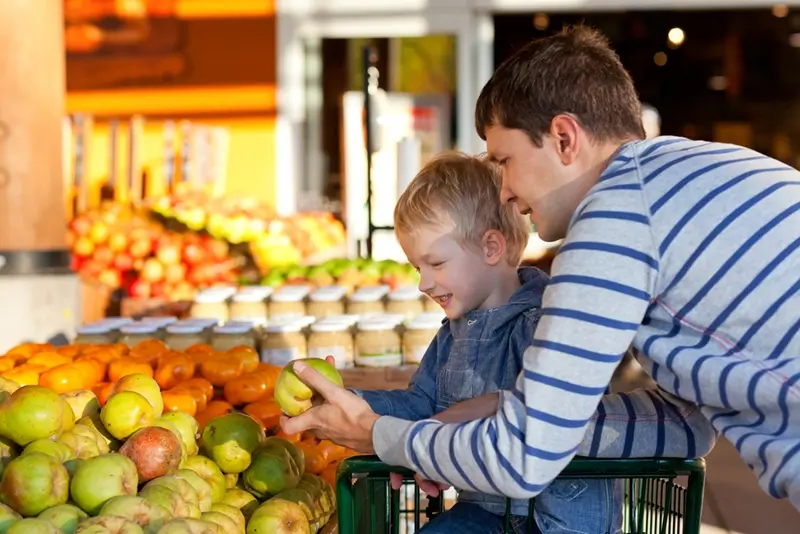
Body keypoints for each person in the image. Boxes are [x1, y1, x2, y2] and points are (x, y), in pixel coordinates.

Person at [282, 25, 800, 510]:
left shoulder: (616, 215)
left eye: (504, 160)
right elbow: (688, 425)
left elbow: (521, 460)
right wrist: (508, 408)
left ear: (564, 138)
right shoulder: (699, 171)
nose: (504, 190)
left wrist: (377, 434)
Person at [347, 151, 714, 533]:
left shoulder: (549, 325)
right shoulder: (450, 335)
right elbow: (421, 403)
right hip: (489, 509)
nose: (423, 282)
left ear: (492, 248)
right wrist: (355, 405)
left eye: (436, 264)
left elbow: (562, 413)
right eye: (416, 268)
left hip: (561, 518)